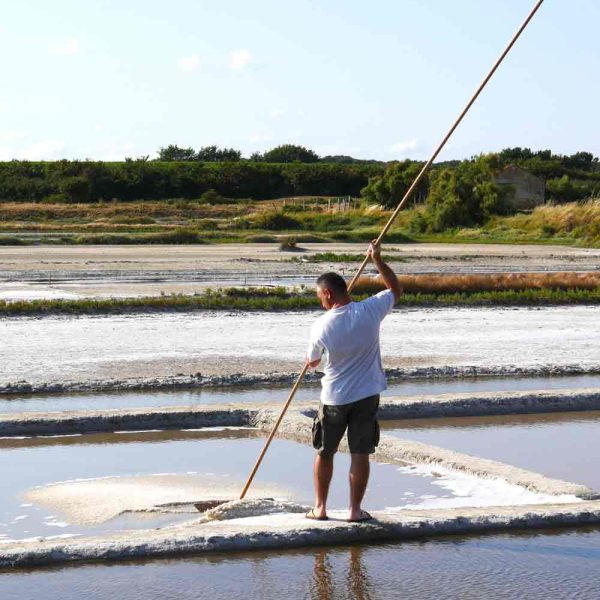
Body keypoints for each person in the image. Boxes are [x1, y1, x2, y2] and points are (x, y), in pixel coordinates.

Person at [305, 240, 402, 522]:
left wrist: (313, 358)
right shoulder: (371, 310)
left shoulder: (321, 325)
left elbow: (312, 361)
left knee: (325, 451)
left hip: (334, 397)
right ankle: (354, 511)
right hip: (367, 394)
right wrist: (378, 261)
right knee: (360, 453)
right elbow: (396, 290)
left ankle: (320, 508)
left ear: (327, 294)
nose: (319, 301)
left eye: (319, 297)